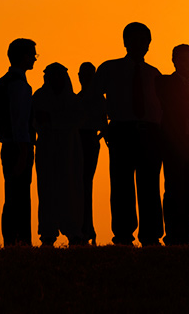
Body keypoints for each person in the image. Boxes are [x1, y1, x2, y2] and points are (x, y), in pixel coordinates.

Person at [92, 22, 164, 246]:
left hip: (150, 133)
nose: (140, 45)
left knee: (150, 184)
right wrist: (104, 128)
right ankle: (123, 235)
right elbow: (94, 98)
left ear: (149, 44)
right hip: (122, 130)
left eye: (144, 41)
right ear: (125, 42)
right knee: (122, 186)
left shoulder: (154, 74)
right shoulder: (109, 69)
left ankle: (151, 235)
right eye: (134, 40)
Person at [156, 45, 189, 246]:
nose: (188, 65)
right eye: (183, 60)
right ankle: (175, 234)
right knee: (174, 188)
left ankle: (187, 232)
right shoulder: (165, 84)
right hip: (175, 142)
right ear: (174, 60)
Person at [32, 63, 85, 246]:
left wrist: (53, 121)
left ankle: (73, 231)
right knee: (47, 190)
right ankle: (48, 232)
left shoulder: (72, 100)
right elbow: (37, 121)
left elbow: (76, 120)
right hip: (47, 150)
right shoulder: (39, 97)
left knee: (71, 189)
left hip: (70, 151)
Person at [0, 38, 37, 246]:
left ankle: (13, 240)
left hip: (10, 146)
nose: (35, 59)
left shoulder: (4, 82)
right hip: (18, 147)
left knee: (13, 194)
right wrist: (23, 152)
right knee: (18, 196)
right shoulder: (18, 85)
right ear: (24, 56)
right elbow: (19, 122)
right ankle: (19, 240)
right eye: (32, 54)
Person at [77, 62, 105, 245]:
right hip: (80, 141)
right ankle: (84, 228)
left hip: (89, 140)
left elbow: (104, 122)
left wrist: (96, 138)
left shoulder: (96, 99)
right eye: (83, 74)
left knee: (85, 184)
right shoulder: (77, 97)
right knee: (81, 185)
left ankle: (87, 228)